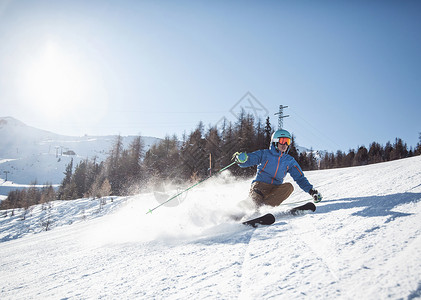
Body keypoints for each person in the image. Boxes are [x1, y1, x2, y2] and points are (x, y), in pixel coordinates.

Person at [233, 129, 322, 208]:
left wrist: (312, 191)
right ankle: (235, 212)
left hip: (275, 189)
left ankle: (263, 209)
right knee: (253, 204)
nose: (285, 144)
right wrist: (241, 159)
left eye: (287, 141)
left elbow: (300, 178)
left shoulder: (289, 161)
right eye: (282, 141)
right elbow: (249, 160)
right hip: (260, 187)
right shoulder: (264, 154)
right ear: (275, 142)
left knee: (289, 187)